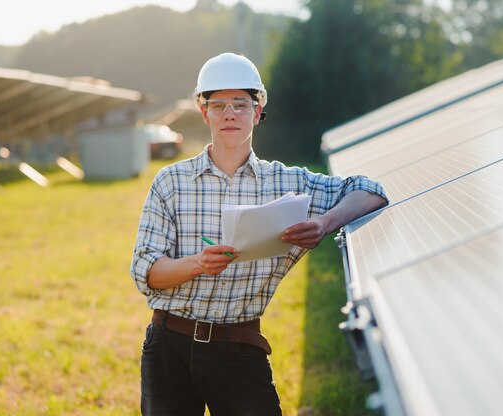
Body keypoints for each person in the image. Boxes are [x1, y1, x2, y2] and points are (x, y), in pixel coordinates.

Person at [130, 52, 388, 415]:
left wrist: (323, 224)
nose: (230, 114)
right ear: (204, 113)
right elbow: (146, 272)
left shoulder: (288, 182)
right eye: (218, 105)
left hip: (240, 346)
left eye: (240, 103)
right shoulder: (171, 182)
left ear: (258, 109)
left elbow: (370, 190)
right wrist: (198, 264)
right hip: (168, 346)